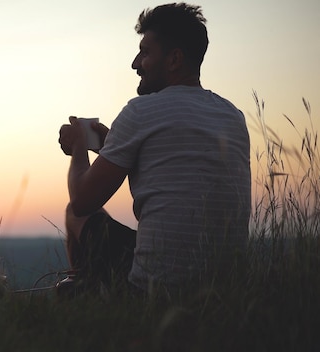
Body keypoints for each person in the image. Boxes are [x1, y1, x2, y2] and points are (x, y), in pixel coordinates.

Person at [58, 3, 250, 295]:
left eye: (145, 52)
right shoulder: (232, 116)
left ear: (174, 59)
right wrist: (115, 145)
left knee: (75, 214)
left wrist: (79, 149)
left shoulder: (141, 112)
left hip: (154, 289)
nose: (135, 63)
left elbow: (83, 200)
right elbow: (181, 168)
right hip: (225, 288)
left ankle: (90, 300)